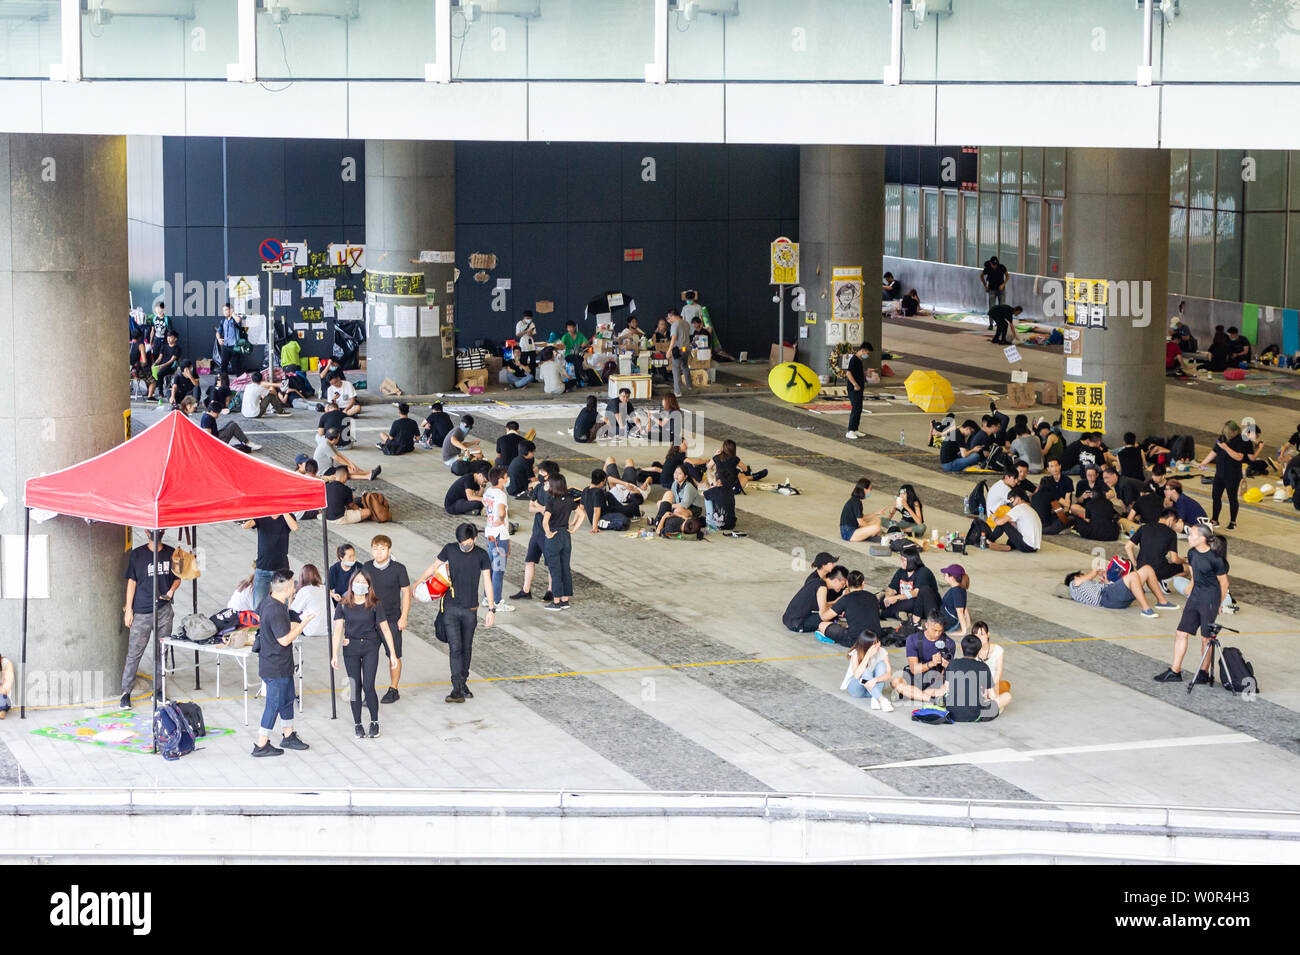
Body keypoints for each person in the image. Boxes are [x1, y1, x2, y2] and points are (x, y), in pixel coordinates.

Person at [418, 523, 495, 703]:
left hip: (471, 610)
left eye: (467, 542)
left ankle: (462, 683)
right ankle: (457, 689)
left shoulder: (482, 555)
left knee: (466, 648)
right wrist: (419, 583)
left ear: (475, 539)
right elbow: (433, 567)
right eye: (461, 542)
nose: (464, 545)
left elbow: (487, 583)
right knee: (455, 648)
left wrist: (491, 609)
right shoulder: (449, 549)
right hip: (451, 608)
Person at [1154, 524, 1230, 684]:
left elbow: (1224, 584)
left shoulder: (1215, 559)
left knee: (1205, 638)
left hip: (1209, 599)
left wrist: (1219, 603)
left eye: (1191, 535)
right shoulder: (1192, 553)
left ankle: (1203, 672)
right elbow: (1195, 572)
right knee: (1181, 632)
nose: (1188, 537)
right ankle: (1175, 671)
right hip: (1195, 597)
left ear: (1202, 538)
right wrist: (1190, 587)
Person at [331, 569, 398, 739]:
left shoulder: (375, 604)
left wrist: (392, 653)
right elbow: (337, 630)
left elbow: (385, 628)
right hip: (350, 648)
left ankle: (374, 722)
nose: (360, 585)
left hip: (370, 647)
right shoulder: (344, 605)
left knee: (368, 685)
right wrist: (334, 654)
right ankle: (358, 724)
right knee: (355, 687)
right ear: (351, 583)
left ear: (369, 586)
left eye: (363, 582)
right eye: (357, 581)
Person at [252, 570, 312, 757]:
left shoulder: (269, 602)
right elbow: (284, 640)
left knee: (287, 700)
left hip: (281, 663)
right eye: (293, 584)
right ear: (286, 588)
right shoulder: (275, 610)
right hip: (274, 666)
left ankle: (288, 735)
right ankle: (261, 744)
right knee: (273, 704)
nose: (295, 587)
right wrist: (304, 623)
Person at [119, 530, 180, 708]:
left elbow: (178, 577)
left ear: (163, 532)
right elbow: (132, 581)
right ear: (146, 532)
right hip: (142, 611)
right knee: (134, 652)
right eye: (153, 530)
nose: (155, 532)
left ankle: (159, 691)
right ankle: (125, 693)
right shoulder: (138, 554)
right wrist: (128, 609)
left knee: (162, 652)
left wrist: (171, 591)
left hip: (164, 610)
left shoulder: (171, 553)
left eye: (159, 530)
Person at [363, 535, 410, 705]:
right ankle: (369, 692)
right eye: (375, 548)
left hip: (391, 619)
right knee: (369, 656)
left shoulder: (399, 569)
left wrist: (403, 617)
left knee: (394, 655)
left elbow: (405, 592)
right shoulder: (366, 567)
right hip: (370, 620)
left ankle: (393, 688)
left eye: (382, 549)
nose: (379, 552)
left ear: (389, 550)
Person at [510, 459, 557, 602]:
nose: (539, 473)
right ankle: (526, 590)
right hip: (536, 531)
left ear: (548, 473)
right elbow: (531, 507)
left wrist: (539, 507)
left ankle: (551, 590)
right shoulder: (538, 487)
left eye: (542, 471)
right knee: (529, 560)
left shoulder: (555, 489)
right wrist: (541, 508)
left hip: (549, 531)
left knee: (550, 563)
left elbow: (552, 511)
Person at [942, 634, 1009, 723]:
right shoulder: (983, 667)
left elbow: (946, 689)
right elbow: (992, 696)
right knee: (1007, 696)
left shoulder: (953, 663)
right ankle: (997, 710)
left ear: (962, 649)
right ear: (979, 651)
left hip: (952, 713)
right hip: (974, 715)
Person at [890, 613, 954, 703]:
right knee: (895, 682)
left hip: (935, 678)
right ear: (926, 625)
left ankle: (907, 693)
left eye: (940, 631)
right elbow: (913, 669)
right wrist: (931, 663)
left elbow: (945, 674)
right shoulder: (913, 639)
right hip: (916, 675)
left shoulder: (949, 643)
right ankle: (931, 699)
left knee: (948, 687)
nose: (937, 634)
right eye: (934, 630)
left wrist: (947, 666)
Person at [1198, 421, 1251, 529]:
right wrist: (1204, 462)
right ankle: (1215, 519)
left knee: (1232, 498)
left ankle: (1233, 522)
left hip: (1232, 475)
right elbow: (1214, 451)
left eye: (1229, 433)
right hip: (1220, 473)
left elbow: (1239, 457)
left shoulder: (1242, 440)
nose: (1227, 435)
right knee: (1216, 496)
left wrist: (1225, 447)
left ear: (1235, 431)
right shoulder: (1222, 438)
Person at [1064, 565, 1171, 618]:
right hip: (1106, 597)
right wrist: (1095, 571)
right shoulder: (1073, 584)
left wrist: (1106, 581)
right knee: (1133, 575)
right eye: (1082, 575)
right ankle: (1146, 609)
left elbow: (1111, 587)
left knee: (1147, 569)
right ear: (1076, 577)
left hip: (1111, 596)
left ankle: (1162, 601)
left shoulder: (1086, 587)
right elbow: (1090, 575)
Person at [542, 474, 582, 611]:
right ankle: (565, 599)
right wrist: (574, 527)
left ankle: (556, 601)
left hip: (554, 536)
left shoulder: (551, 500)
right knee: (565, 567)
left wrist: (548, 534)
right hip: (566, 535)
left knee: (555, 569)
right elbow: (581, 514)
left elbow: (545, 522)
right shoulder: (570, 499)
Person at [241, 513, 297, 606]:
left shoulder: (287, 516)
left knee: (283, 604)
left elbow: (294, 527)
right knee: (258, 605)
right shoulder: (263, 515)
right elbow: (245, 526)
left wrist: (285, 511)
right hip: (263, 567)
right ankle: (261, 620)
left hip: (281, 568)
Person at [817, 570, 882, 648]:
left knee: (822, 625)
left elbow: (825, 617)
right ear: (863, 583)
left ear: (847, 583)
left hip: (854, 640)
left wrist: (822, 607)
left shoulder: (846, 599)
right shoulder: (873, 597)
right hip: (876, 638)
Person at [781, 554, 843, 633]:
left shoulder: (828, 577)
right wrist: (835, 604)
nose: (834, 565)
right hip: (801, 619)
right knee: (831, 615)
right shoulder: (813, 581)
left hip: (813, 610)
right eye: (831, 563)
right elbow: (817, 606)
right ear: (824, 566)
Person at [1125, 508, 1184, 586]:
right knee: (1187, 568)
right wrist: (1183, 560)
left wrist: (1136, 564)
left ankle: (1157, 580)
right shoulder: (1171, 533)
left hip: (1141, 568)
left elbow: (1128, 546)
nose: (1173, 526)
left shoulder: (1144, 527)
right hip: (1158, 571)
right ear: (1171, 520)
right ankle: (1164, 581)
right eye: (1174, 523)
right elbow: (1174, 559)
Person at [483, 465, 514, 612]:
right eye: (506, 477)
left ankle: (486, 597)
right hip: (500, 536)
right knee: (499, 569)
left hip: (489, 533)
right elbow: (501, 512)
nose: (508, 479)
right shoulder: (501, 495)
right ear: (501, 479)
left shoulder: (489, 491)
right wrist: (501, 518)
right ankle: (496, 601)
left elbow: (485, 506)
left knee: (489, 567)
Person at [880, 547, 939, 623]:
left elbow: (915, 592)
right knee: (883, 601)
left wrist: (897, 598)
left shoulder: (923, 572)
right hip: (903, 598)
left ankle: (883, 613)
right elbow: (892, 588)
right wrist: (888, 596)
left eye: (904, 560)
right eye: (901, 560)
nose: (901, 562)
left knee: (910, 603)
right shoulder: (901, 571)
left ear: (911, 561)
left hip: (919, 603)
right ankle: (899, 614)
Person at [839, 631, 894, 711]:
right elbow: (857, 675)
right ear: (867, 646)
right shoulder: (856, 653)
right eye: (874, 644)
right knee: (865, 671)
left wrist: (875, 680)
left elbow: (888, 674)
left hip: (870, 690)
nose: (878, 645)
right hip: (857, 689)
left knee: (882, 665)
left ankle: (875, 697)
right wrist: (868, 655)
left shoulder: (882, 652)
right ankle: (882, 700)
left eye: (878, 641)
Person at [983, 487, 1042, 552]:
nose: (1011, 503)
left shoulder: (1019, 508)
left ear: (1018, 498)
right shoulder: (1030, 509)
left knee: (1004, 523)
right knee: (1011, 528)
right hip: (1034, 547)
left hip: (1026, 546)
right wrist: (1014, 525)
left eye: (1012, 500)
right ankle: (1009, 546)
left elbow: (1000, 522)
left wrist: (994, 518)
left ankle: (989, 541)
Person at [315, 427, 381, 482]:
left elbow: (339, 454)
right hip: (323, 472)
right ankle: (369, 473)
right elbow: (338, 458)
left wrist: (351, 464)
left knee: (346, 471)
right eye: (338, 437)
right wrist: (349, 465)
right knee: (346, 471)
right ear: (334, 439)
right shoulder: (325, 446)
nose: (339, 438)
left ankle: (368, 476)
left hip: (327, 468)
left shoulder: (328, 441)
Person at [839, 477, 886, 542]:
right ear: (865, 490)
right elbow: (861, 522)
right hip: (848, 533)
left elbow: (862, 517)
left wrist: (876, 513)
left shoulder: (856, 500)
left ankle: (869, 535)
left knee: (877, 519)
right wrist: (872, 528)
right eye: (870, 489)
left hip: (852, 529)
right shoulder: (856, 502)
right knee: (877, 528)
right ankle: (871, 536)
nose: (870, 491)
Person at [291, 564, 330, 638]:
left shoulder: (305, 590)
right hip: (329, 629)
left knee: (290, 613)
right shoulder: (324, 588)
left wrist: (290, 596)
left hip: (311, 630)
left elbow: (293, 609)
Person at [844, 341, 871, 440]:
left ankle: (855, 429)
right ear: (862, 350)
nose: (867, 355)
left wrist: (867, 372)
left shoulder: (859, 360)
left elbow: (857, 373)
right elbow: (848, 373)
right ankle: (850, 430)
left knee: (859, 408)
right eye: (867, 353)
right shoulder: (854, 360)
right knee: (855, 409)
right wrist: (855, 384)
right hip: (854, 389)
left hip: (859, 388)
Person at [148, 329, 181, 401]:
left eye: (171, 337)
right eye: (168, 337)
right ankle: (151, 391)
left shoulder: (177, 349)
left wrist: (162, 366)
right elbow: (160, 358)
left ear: (175, 339)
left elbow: (172, 360)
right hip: (162, 365)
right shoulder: (164, 346)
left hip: (171, 367)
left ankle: (160, 392)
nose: (168, 339)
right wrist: (155, 364)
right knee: (150, 372)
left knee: (160, 373)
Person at [939, 564, 971, 636]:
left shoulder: (956, 592)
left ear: (952, 578)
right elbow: (964, 607)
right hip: (947, 617)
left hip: (948, 623)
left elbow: (960, 611)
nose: (944, 575)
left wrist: (963, 631)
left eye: (946, 574)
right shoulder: (959, 588)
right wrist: (968, 623)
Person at [701, 467, 737, 532]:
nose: (713, 480)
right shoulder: (730, 489)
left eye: (714, 478)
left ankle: (709, 522)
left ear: (719, 481)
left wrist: (712, 487)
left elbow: (702, 493)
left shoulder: (714, 490)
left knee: (707, 497)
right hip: (731, 524)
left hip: (718, 525)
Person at [668, 309, 691, 397]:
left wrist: (669, 351)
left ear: (672, 316)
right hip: (686, 348)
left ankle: (677, 391)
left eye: (669, 318)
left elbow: (673, 338)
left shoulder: (675, 324)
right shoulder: (686, 323)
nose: (669, 320)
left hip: (678, 349)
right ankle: (689, 386)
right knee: (685, 366)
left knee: (675, 368)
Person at [216, 301, 241, 379]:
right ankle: (224, 383)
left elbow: (239, 320)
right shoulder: (223, 320)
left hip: (235, 346)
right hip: (225, 346)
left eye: (226, 309)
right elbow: (218, 332)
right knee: (223, 366)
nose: (225, 312)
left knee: (236, 366)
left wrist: (233, 313)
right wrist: (219, 339)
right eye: (224, 310)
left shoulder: (235, 319)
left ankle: (240, 383)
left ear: (231, 310)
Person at [0, 652, 13, 719]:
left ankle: (2, 711)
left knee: (2, 699)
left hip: (4, 699)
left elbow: (5, 690)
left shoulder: (7, 664)